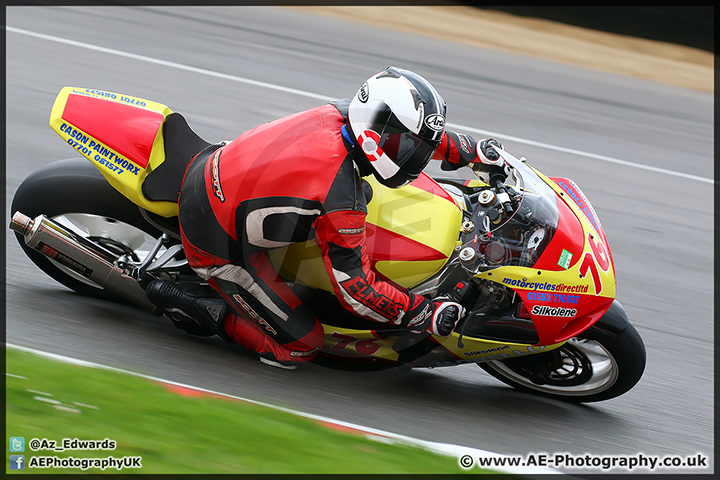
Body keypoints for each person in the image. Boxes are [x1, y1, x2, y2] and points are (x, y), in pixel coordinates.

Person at [146, 66, 506, 369]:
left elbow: (415, 134)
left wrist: (474, 151)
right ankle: (193, 306)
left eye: (413, 146)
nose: (412, 157)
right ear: (375, 130)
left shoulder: (345, 113)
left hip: (224, 169)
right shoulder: (340, 197)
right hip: (213, 238)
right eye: (404, 148)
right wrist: (421, 313)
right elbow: (357, 290)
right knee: (301, 345)